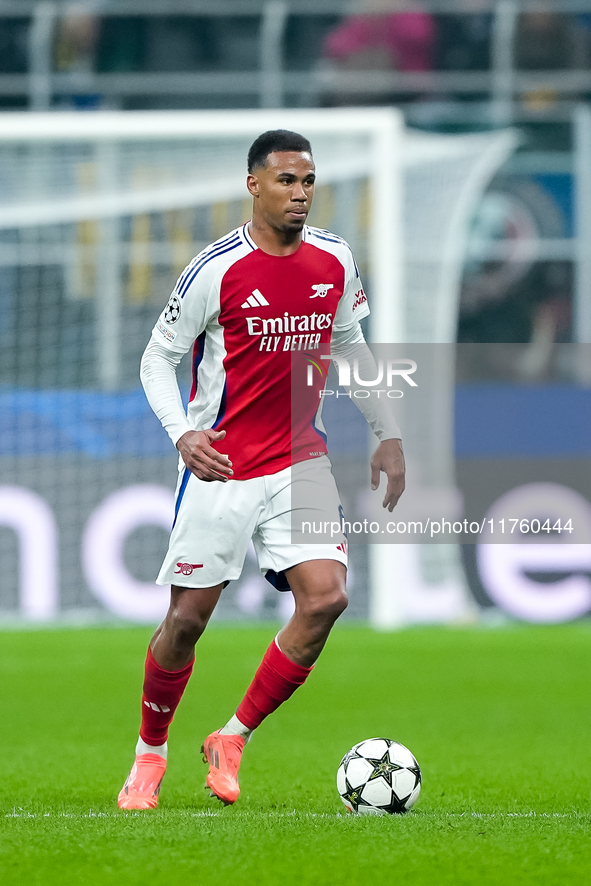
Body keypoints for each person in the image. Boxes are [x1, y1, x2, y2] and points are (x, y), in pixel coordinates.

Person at [118, 130, 405, 810]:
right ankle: (149, 756)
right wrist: (183, 433)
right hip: (223, 464)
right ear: (254, 186)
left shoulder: (334, 258)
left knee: (327, 599)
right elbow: (157, 358)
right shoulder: (215, 269)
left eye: (307, 180)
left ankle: (232, 736)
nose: (299, 193)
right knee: (186, 622)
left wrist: (387, 432)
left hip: (300, 461)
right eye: (285, 180)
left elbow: (349, 344)